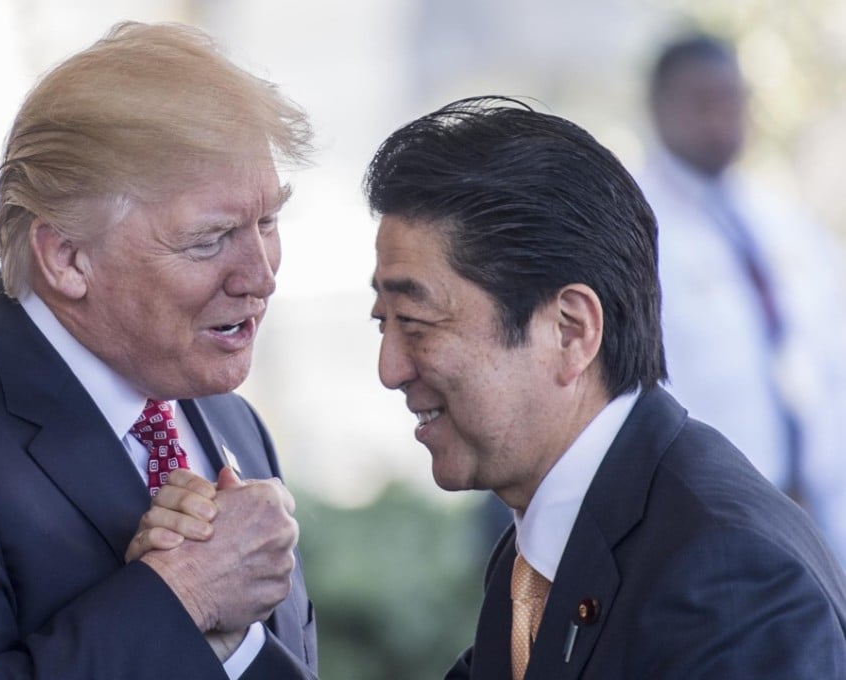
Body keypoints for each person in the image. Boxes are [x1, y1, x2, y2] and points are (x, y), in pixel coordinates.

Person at [0, 22, 317, 679]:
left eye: (268, 222)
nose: (260, 277)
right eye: (210, 240)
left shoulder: (224, 412)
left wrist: (231, 641)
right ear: (67, 258)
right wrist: (183, 597)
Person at [362, 96, 846, 678]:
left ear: (570, 331)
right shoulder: (542, 549)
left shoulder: (730, 579)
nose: (390, 369)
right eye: (383, 323)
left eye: (415, 323)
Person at [637, 33, 846, 564]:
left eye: (732, 101)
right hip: (709, 517)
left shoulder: (781, 219)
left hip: (817, 508)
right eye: (702, 102)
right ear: (660, 106)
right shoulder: (633, 231)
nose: (720, 120)